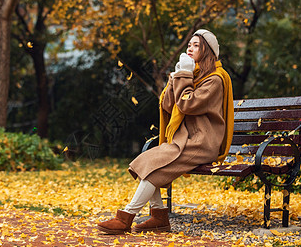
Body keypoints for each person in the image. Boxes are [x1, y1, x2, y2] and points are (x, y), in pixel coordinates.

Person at [97, 29, 234, 235]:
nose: (190, 47)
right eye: (190, 44)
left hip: (202, 143)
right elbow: (168, 105)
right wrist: (176, 77)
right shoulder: (191, 75)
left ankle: (125, 218)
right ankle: (159, 218)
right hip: (184, 140)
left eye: (196, 45)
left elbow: (188, 105)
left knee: (155, 171)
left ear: (207, 51)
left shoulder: (215, 79)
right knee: (149, 161)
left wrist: (184, 76)